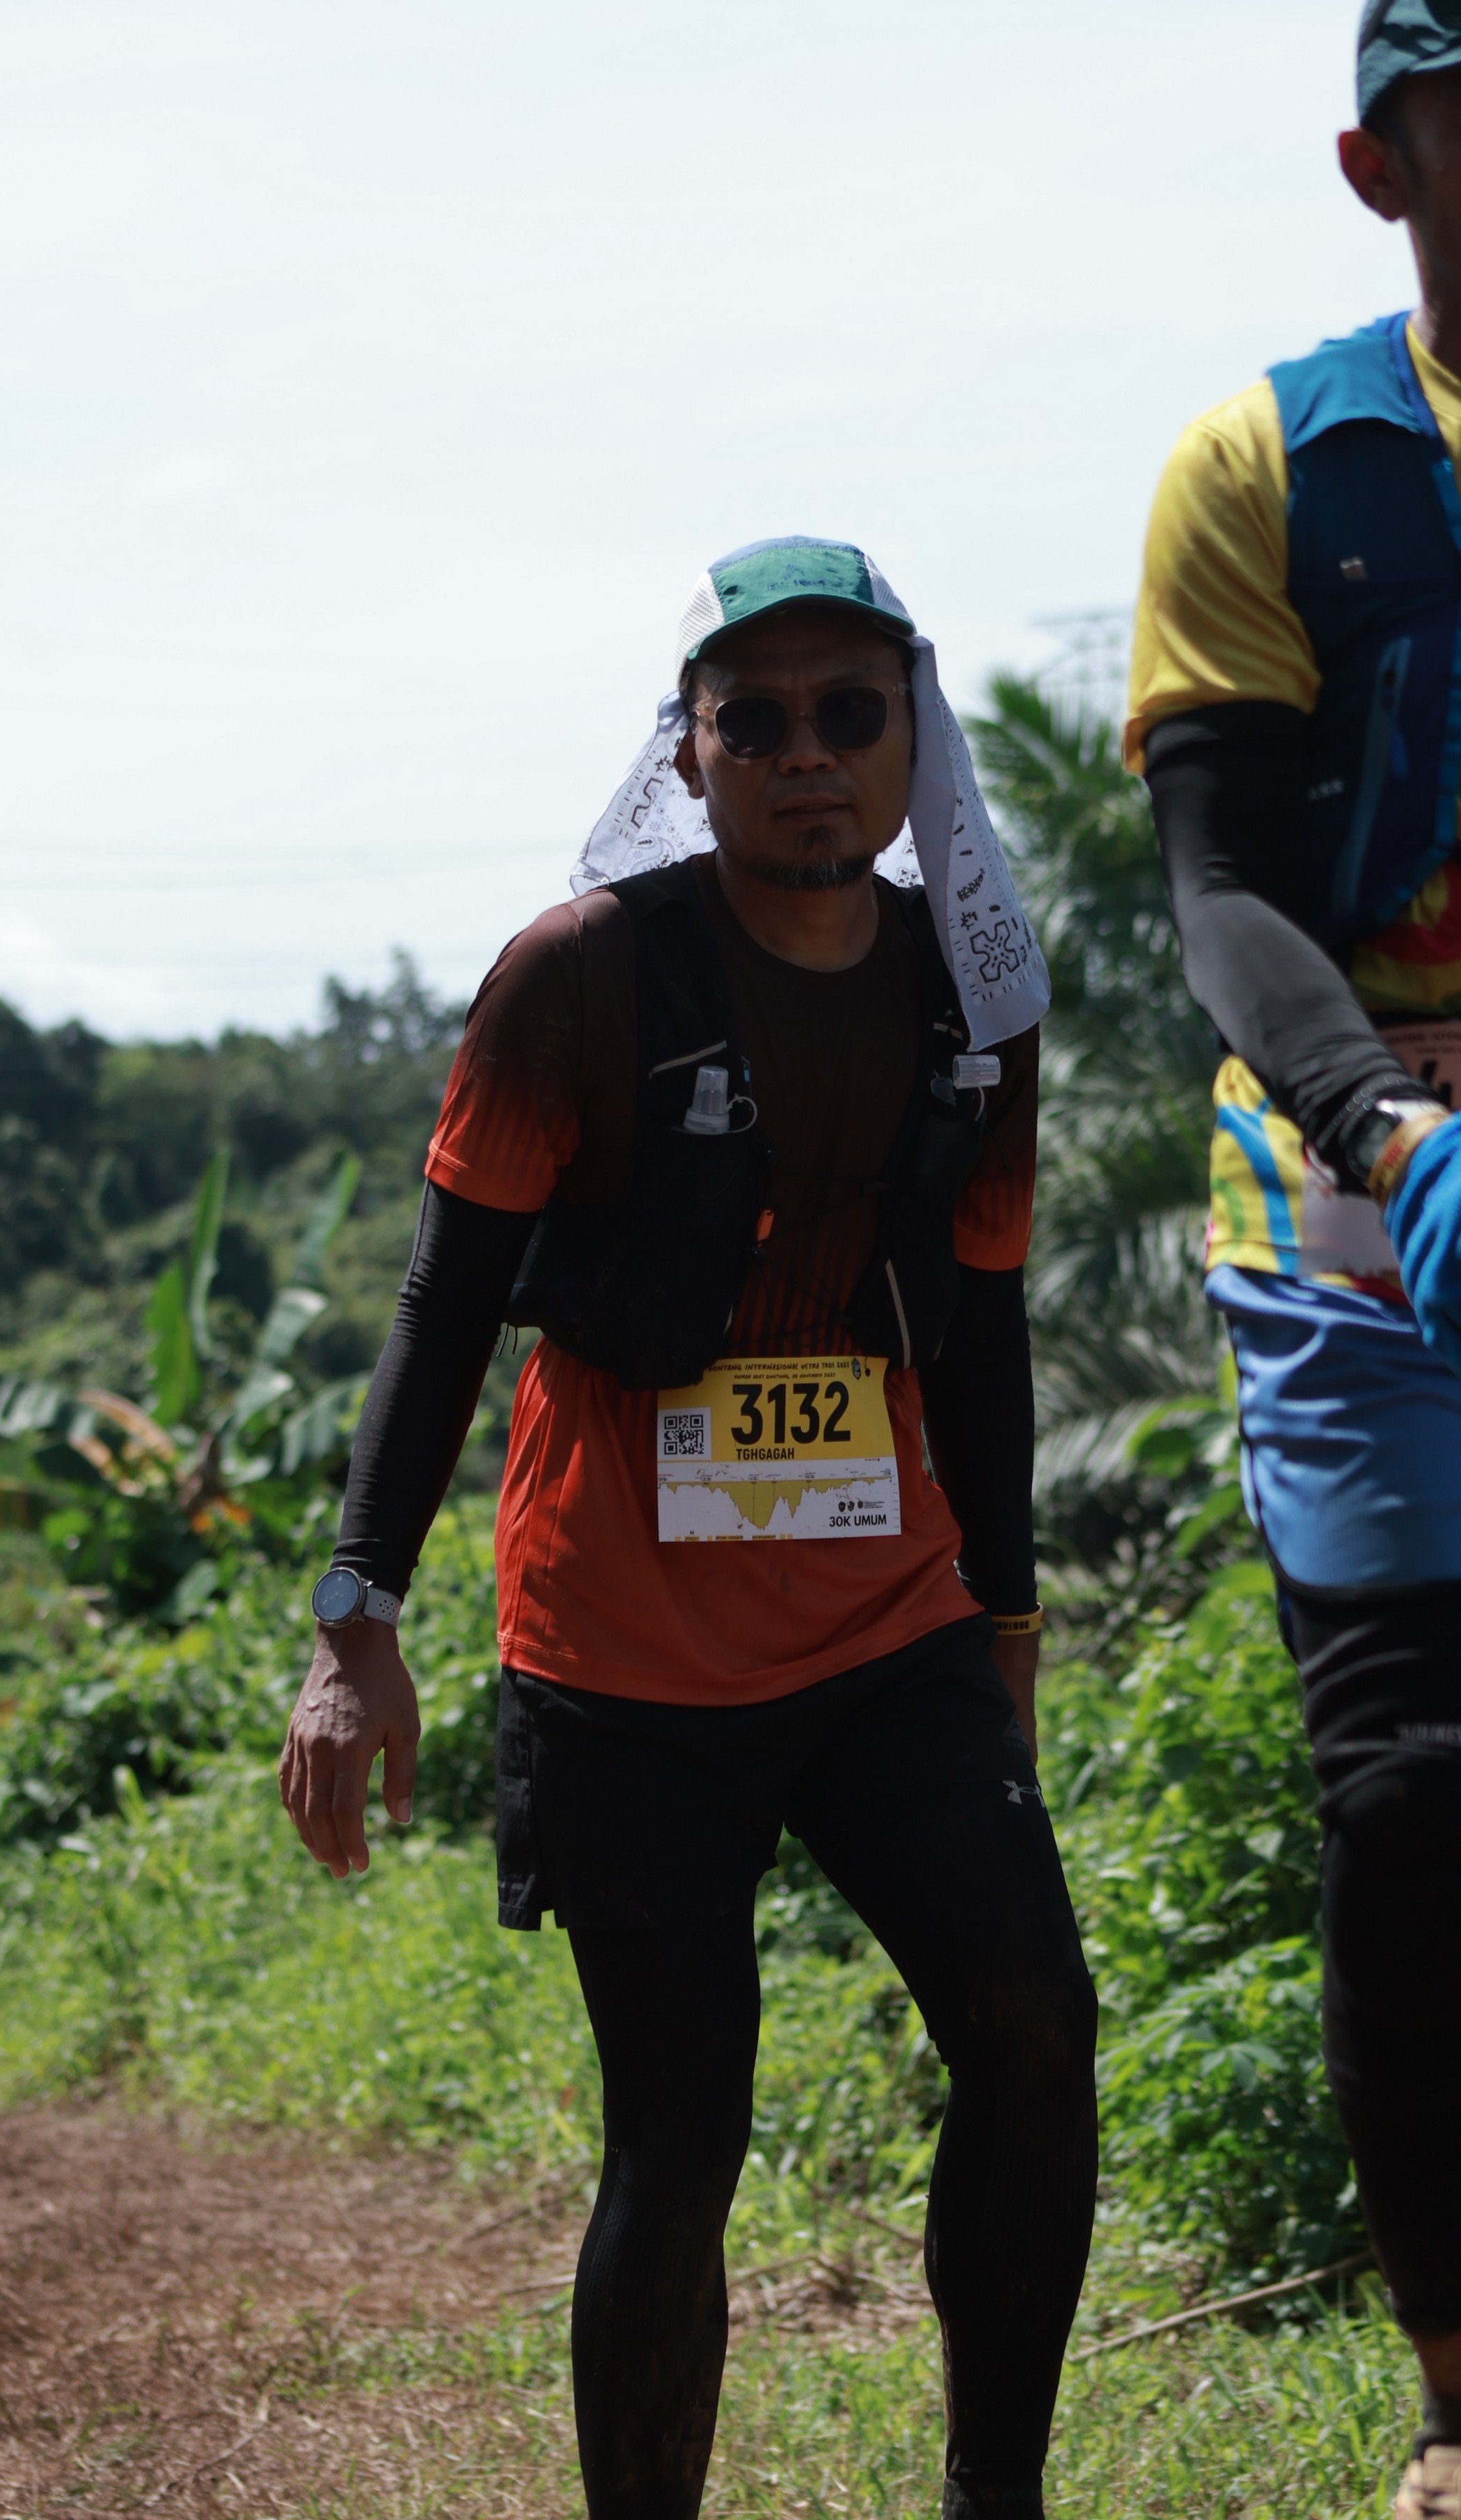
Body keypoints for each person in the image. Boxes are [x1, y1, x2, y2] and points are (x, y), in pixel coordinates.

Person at [281, 537, 1096, 2520]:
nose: (809, 755)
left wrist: (1005, 1615)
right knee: (679, 2144)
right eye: (759, 722)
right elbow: (444, 1303)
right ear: (691, 752)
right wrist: (353, 1625)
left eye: (852, 715)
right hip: (624, 1655)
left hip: (886, 1625)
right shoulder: (579, 979)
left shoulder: (976, 999)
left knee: (1034, 2028)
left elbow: (981, 1324)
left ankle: (997, 2500)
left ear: (912, 740)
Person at [1126, 9, 1461, 2511]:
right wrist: (1391, 1126)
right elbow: (1222, 880)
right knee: (1419, 1800)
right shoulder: (1269, 463)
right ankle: (1460, 2392)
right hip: (1357, 1196)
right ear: (1382, 161)